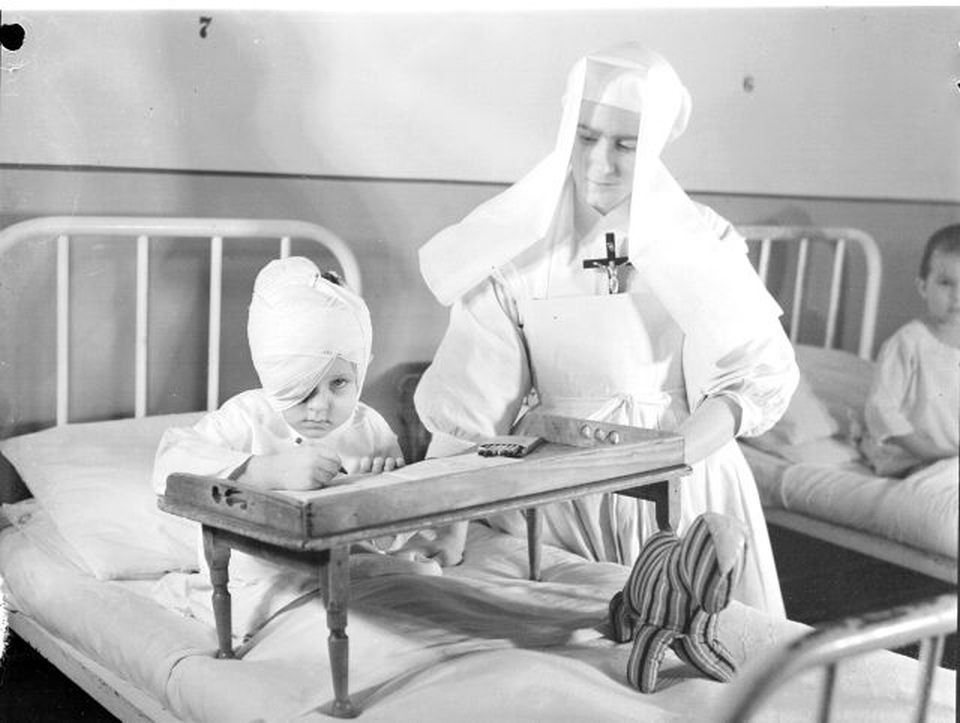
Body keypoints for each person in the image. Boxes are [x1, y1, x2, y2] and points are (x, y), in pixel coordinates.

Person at [414, 44, 799, 616]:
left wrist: (660, 466)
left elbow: (749, 379)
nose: (600, 164)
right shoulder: (515, 247)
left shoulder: (704, 241)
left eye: (626, 144)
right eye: (586, 137)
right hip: (558, 489)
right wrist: (446, 517)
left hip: (685, 475)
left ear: (659, 143)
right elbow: (472, 404)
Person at [153, 257, 439, 635]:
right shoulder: (248, 416)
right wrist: (265, 471)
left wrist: (382, 509)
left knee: (415, 594)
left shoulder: (369, 426)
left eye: (339, 384)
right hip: (262, 580)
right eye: (302, 391)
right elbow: (170, 465)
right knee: (316, 624)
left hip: (351, 569)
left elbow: (389, 538)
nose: (321, 407)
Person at [860, 224, 960, 477]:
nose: (957, 295)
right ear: (923, 287)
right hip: (910, 453)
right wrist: (927, 452)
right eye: (946, 283)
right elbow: (882, 408)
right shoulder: (909, 342)